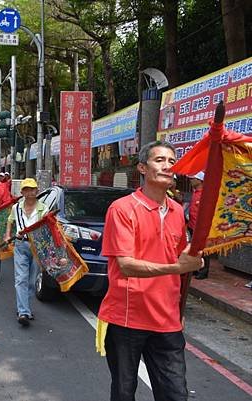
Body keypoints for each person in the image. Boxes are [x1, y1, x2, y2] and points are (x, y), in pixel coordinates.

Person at [97, 140, 204, 401]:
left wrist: (194, 257)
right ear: (142, 168)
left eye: (171, 161)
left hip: (167, 319)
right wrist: (178, 266)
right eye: (160, 160)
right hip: (126, 318)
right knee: (124, 392)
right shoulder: (122, 209)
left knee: (175, 394)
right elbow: (126, 265)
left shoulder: (178, 211)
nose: (168, 166)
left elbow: (180, 258)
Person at [4, 178, 47, 327]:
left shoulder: (43, 208)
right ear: (22, 192)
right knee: (20, 279)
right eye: (26, 190)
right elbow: (10, 220)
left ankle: (25, 308)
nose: (29, 193)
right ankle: (23, 312)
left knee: (31, 281)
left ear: (37, 191)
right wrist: (8, 234)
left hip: (36, 247)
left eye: (32, 189)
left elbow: (47, 229)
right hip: (21, 245)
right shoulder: (16, 208)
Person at [187, 171, 210, 280]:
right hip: (192, 226)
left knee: (203, 250)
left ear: (199, 180)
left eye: (192, 179)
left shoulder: (205, 194)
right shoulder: (195, 192)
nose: (190, 181)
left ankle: (203, 271)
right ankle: (196, 268)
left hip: (201, 227)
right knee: (195, 249)